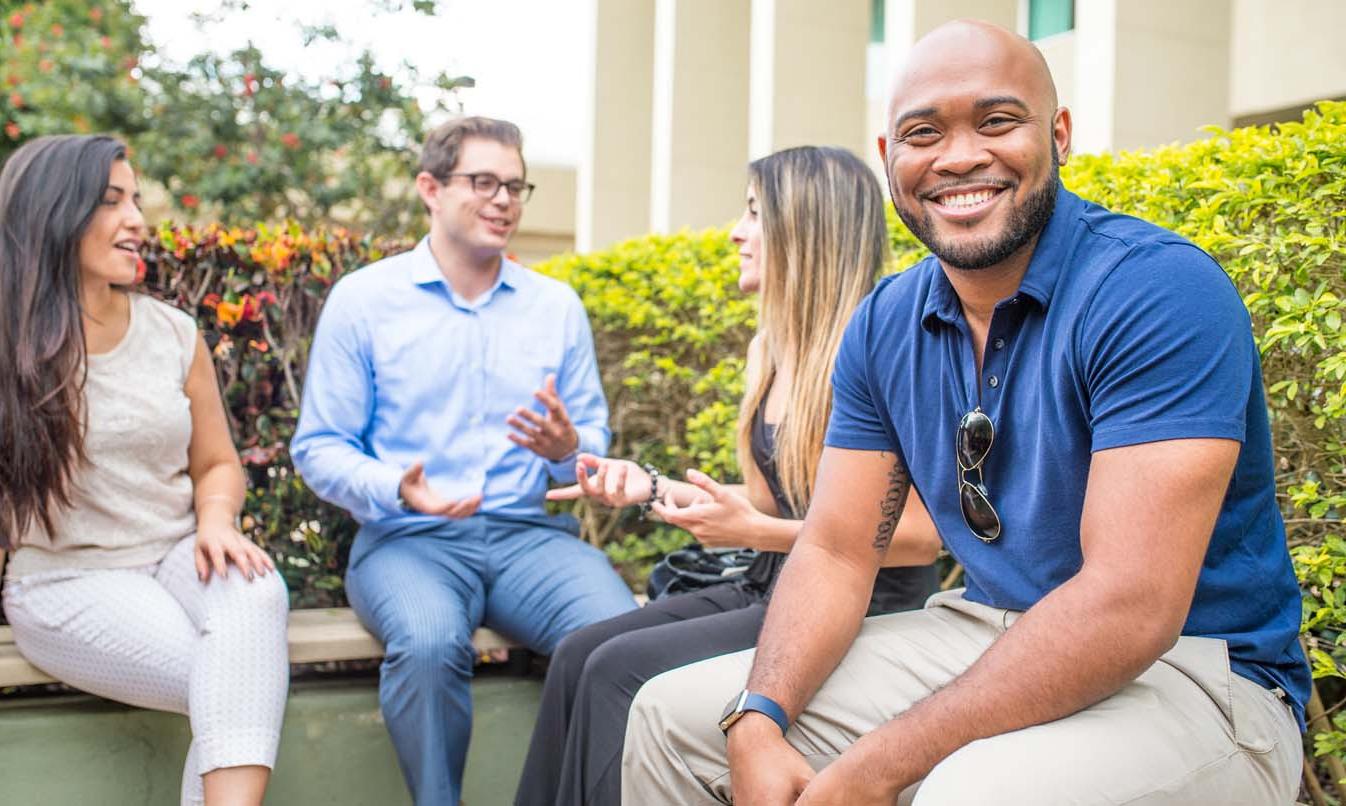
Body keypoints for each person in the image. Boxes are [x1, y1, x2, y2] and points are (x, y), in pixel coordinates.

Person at [621, 20, 1309, 806]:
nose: (957, 157)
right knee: (674, 719)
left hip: (1199, 674)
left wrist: (875, 768)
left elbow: (1128, 604)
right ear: (890, 159)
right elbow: (840, 549)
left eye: (996, 121)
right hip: (987, 629)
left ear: (1059, 136)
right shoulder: (885, 323)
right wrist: (757, 718)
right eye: (923, 133)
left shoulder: (1155, 290)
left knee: (973, 790)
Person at [513, 145, 941, 806]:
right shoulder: (768, 349)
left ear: (806, 229)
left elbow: (918, 537)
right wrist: (650, 488)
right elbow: (772, 501)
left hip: (860, 607)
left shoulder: (880, 350)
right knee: (577, 653)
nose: (736, 233)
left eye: (753, 214)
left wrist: (761, 532)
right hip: (770, 586)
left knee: (614, 673)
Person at [290, 116, 637, 806]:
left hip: (529, 539)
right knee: (426, 644)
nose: (503, 199)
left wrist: (569, 452)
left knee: (615, 641)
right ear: (430, 188)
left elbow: (587, 456)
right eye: (483, 182)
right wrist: (396, 487)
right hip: (407, 541)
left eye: (515, 185)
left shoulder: (555, 307)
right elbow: (318, 448)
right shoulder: (364, 302)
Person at [0, 135, 289, 806]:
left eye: (136, 199)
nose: (138, 219)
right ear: (53, 215)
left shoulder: (173, 334)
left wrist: (217, 520)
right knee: (232, 683)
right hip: (66, 579)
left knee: (257, 595)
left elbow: (217, 462)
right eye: (112, 201)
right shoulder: (10, 349)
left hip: (174, 557)